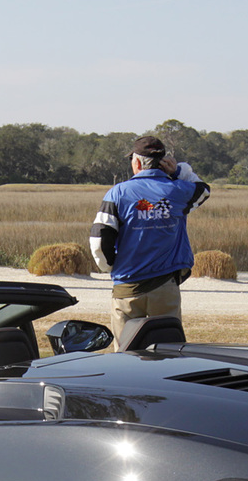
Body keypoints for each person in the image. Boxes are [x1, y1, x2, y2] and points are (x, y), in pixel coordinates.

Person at [89, 135, 211, 346]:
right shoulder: (179, 190)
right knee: (167, 352)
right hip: (165, 286)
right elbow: (203, 191)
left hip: (126, 286)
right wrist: (179, 172)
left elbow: (100, 238)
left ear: (136, 162)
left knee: (125, 357)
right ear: (164, 163)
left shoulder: (117, 193)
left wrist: (110, 267)